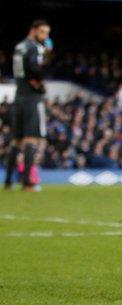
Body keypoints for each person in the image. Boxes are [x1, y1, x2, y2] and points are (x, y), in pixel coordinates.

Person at [4, 19, 51, 191]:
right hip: (31, 98)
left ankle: (8, 181)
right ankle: (27, 183)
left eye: (47, 33)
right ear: (33, 31)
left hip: (19, 96)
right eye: (43, 32)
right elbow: (33, 69)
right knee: (31, 140)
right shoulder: (33, 48)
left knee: (16, 141)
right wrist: (40, 84)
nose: (45, 36)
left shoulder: (19, 46)